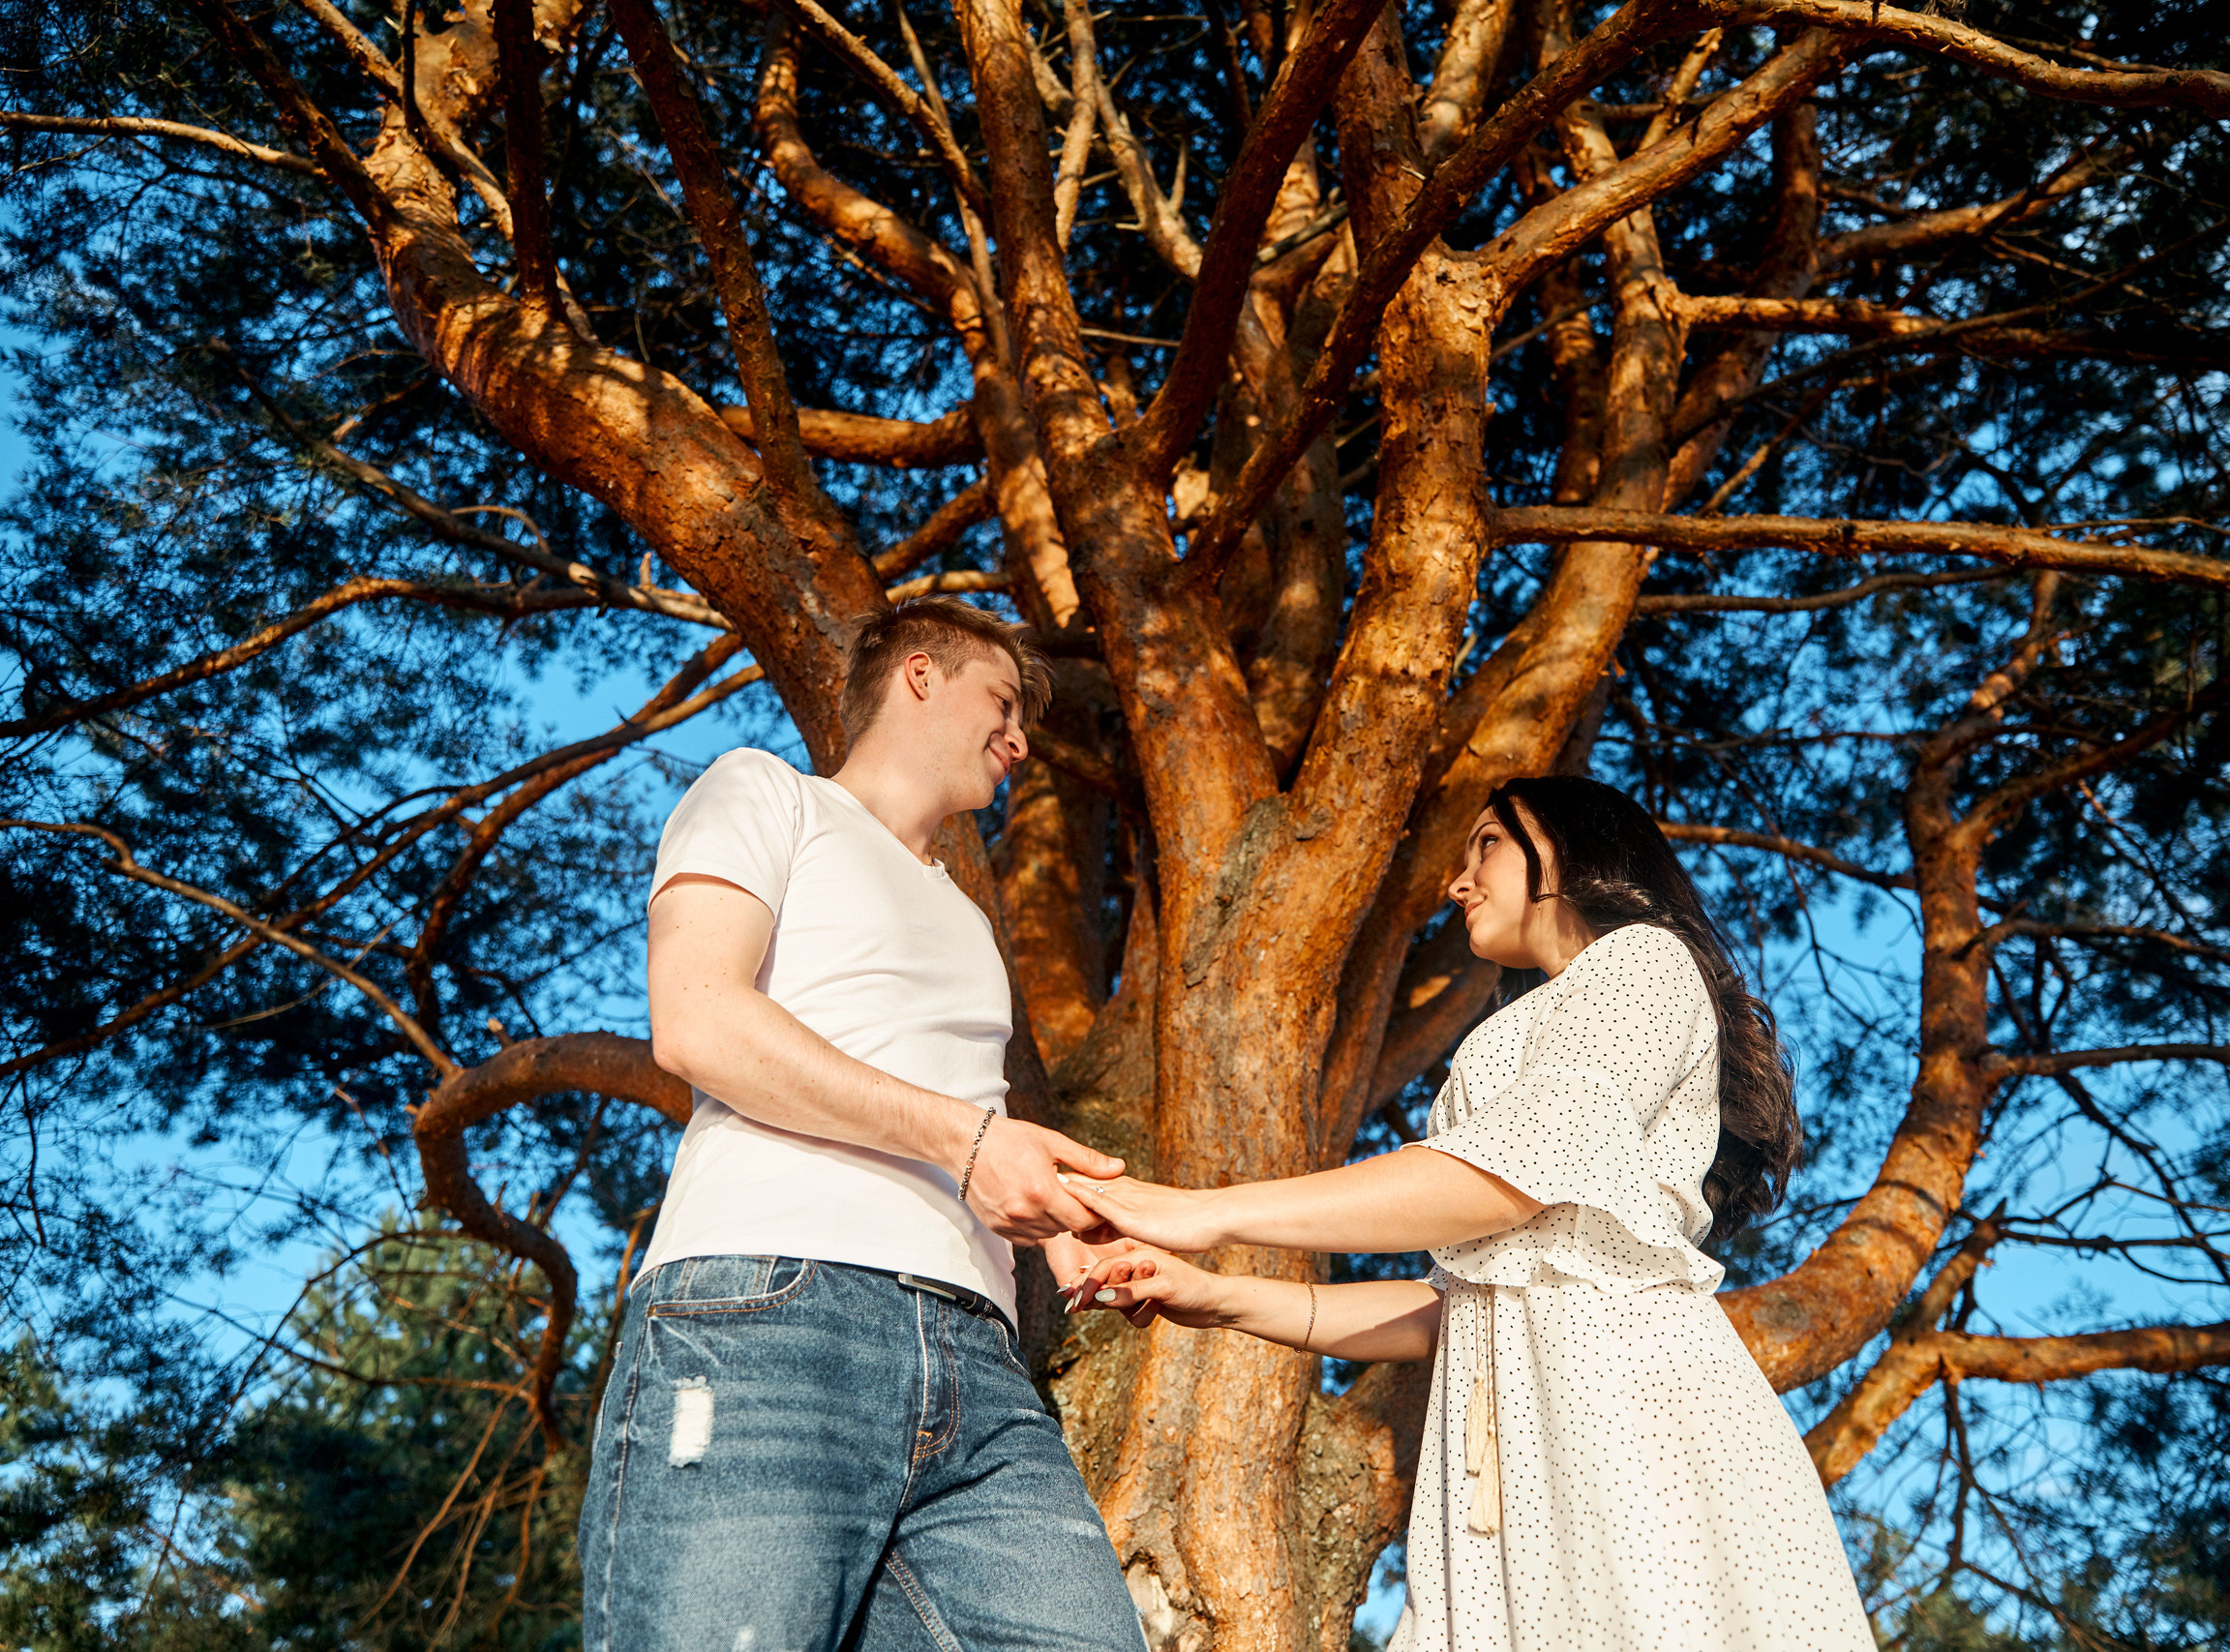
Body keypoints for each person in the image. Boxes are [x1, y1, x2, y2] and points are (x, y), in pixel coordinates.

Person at [1060, 776, 1877, 1651]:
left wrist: (1204, 1212)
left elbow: (1509, 1172)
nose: (1458, 881)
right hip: (1504, 1465)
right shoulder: (1548, 1014)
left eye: (1487, 842)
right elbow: (1457, 1301)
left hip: (1624, 1429)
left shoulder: (1643, 959)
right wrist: (1214, 1293)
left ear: (1567, 845)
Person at [580, 596, 1146, 1652]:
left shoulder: (968, 917)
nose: (1021, 739)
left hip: (980, 1359)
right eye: (1004, 701)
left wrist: (1056, 1231)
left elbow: (967, 1110)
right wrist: (967, 1143)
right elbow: (696, 1017)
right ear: (920, 673)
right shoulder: (766, 792)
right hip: (773, 1308)